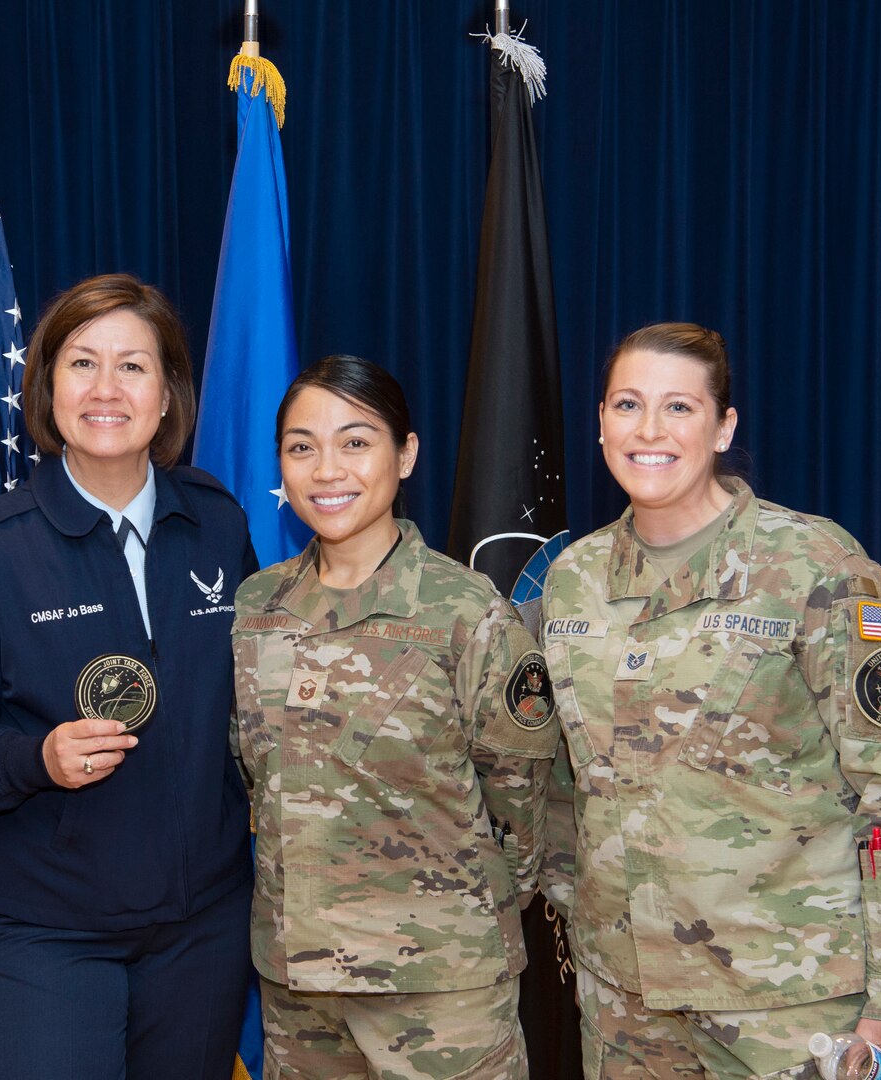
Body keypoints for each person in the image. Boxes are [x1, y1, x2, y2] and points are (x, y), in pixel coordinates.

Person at [539, 323, 881, 1080]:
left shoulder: (814, 563)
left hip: (788, 1002)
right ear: (600, 421)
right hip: (623, 1005)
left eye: (679, 407)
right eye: (627, 405)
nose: (649, 430)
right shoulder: (572, 578)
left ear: (723, 426)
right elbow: (558, 785)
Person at [0, 274, 258, 1079]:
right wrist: (36, 760)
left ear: (168, 397)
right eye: (82, 363)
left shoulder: (219, 524)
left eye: (133, 366)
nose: (105, 389)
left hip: (205, 929)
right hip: (51, 937)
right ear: (46, 389)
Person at [231, 355, 559, 1080]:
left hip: (441, 991)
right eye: (301, 447)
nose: (326, 470)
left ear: (405, 455)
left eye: (356, 441)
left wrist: (448, 918)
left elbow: (520, 805)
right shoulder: (256, 607)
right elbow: (252, 779)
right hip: (299, 988)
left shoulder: (467, 613)